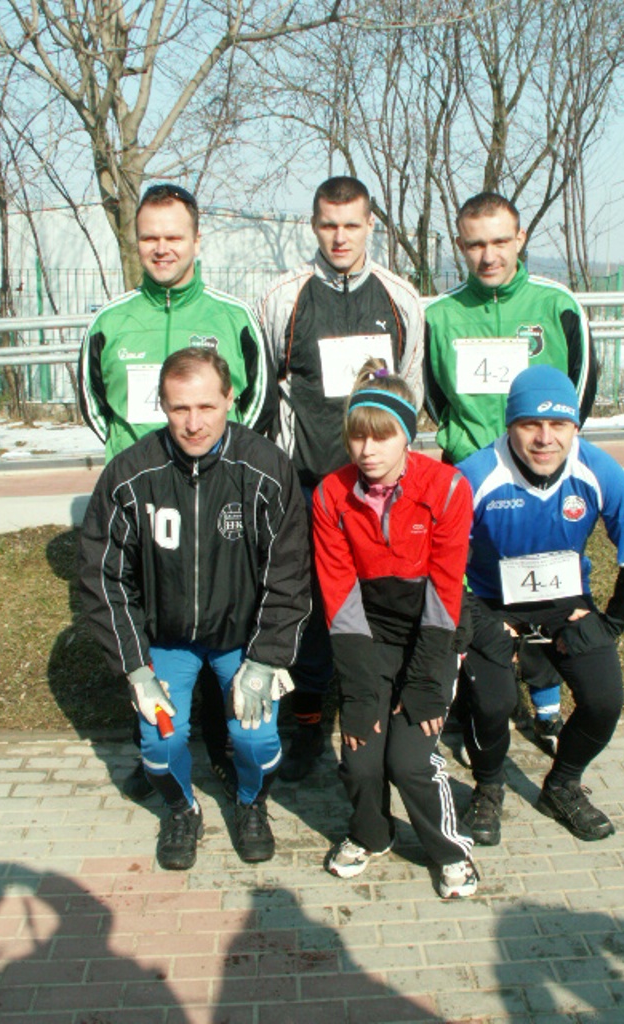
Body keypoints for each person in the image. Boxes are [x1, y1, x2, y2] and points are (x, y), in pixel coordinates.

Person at [79, 183, 277, 802]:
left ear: (196, 239)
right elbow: (95, 408)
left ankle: (222, 744)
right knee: (146, 620)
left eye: (173, 236)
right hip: (143, 501)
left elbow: (258, 405)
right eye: (150, 237)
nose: (161, 248)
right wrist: (137, 465)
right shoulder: (109, 322)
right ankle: (158, 746)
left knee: (219, 620)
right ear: (135, 241)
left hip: (216, 496)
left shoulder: (232, 318)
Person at [79, 348, 310, 870]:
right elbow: (103, 578)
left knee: (256, 739)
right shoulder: (130, 474)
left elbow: (290, 573)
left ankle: (251, 803)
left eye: (206, 406)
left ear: (231, 399)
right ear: (162, 405)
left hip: (242, 640)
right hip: (167, 642)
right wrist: (135, 669)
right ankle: (182, 809)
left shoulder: (266, 469)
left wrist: (266, 659)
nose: (193, 423)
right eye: (180, 408)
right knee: (160, 741)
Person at [258, 176, 425, 782]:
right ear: (313, 225)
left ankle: (385, 709)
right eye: (329, 225)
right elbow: (268, 391)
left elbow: (410, 389)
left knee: (381, 597)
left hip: (377, 488)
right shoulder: (283, 298)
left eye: (352, 224)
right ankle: (307, 721)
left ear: (370, 225)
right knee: (308, 605)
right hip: (306, 483)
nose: (340, 237)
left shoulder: (402, 298)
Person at [456, 365, 624, 845]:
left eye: (559, 425)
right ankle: (488, 788)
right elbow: (437, 565)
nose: (545, 438)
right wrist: (477, 622)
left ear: (575, 427)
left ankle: (562, 785)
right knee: (492, 701)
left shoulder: (596, 468)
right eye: (531, 424)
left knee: (605, 700)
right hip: (492, 603)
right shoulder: (475, 474)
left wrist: (611, 623)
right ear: (510, 425)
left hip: (566, 604)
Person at [425, 192, 599, 759]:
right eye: (475, 244)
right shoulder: (439, 315)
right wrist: (466, 449)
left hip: (542, 479)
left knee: (543, 583)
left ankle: (546, 704)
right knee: (476, 593)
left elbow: (582, 391)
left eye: (500, 241)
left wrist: (546, 455)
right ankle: (483, 706)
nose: (489, 255)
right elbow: (435, 396)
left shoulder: (557, 304)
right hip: (470, 481)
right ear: (460, 245)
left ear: (520, 239)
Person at [312, 359, 477, 899]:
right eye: (357, 436)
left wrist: (426, 681)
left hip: (432, 632)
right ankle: (371, 835)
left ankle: (451, 852)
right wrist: (360, 694)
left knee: (409, 763)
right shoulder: (330, 495)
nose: (367, 450)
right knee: (360, 758)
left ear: (408, 435)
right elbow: (340, 599)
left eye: (382, 436)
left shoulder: (448, 488)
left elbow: (446, 591)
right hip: (370, 634)